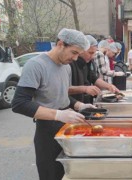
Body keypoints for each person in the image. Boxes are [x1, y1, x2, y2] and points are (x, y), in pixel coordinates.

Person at [11, 28, 96, 180]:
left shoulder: (66, 66)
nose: (76, 58)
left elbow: (61, 94)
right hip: (47, 131)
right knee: (51, 174)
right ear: (60, 44)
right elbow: (19, 103)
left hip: (67, 125)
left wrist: (79, 106)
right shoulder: (36, 65)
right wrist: (58, 114)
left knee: (69, 173)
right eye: (74, 52)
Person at [69, 35, 119, 103]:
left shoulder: (87, 62)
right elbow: (65, 90)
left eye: (94, 53)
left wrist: (108, 86)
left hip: (85, 101)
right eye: (90, 53)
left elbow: (93, 78)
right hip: (73, 103)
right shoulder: (70, 64)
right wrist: (85, 89)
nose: (92, 57)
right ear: (81, 50)